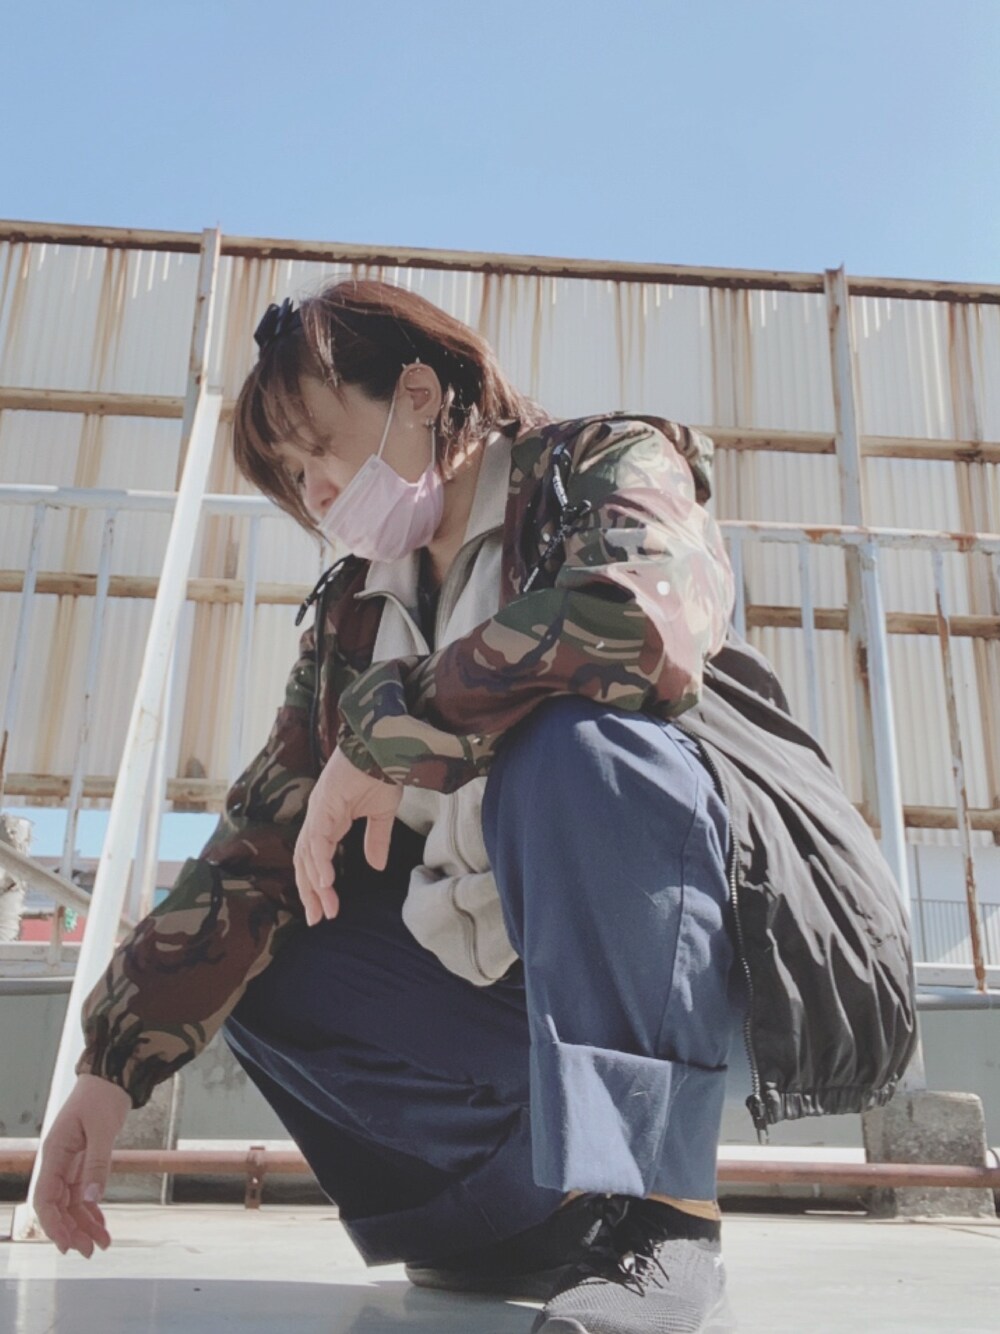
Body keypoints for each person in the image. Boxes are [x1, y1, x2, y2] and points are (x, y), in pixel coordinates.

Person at [34, 280, 917, 1334]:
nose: (318, 492)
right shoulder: (356, 616)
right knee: (265, 938)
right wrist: (109, 1067)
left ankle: (660, 1216)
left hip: (707, 957)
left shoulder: (602, 464)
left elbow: (639, 621)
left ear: (418, 393)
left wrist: (395, 728)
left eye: (322, 449)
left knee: (573, 742)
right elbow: (253, 843)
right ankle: (511, 1223)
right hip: (510, 981)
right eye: (295, 479)